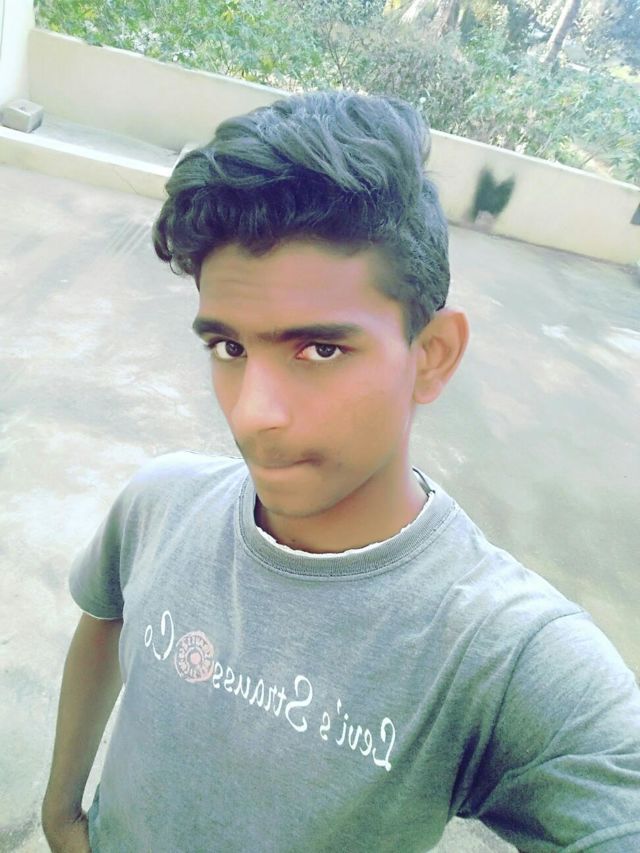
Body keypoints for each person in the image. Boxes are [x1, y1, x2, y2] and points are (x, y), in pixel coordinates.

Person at [42, 91, 640, 852]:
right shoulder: (158, 504)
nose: (254, 413)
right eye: (229, 348)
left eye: (320, 349)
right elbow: (104, 619)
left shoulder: (504, 654)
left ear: (432, 356)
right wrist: (61, 814)